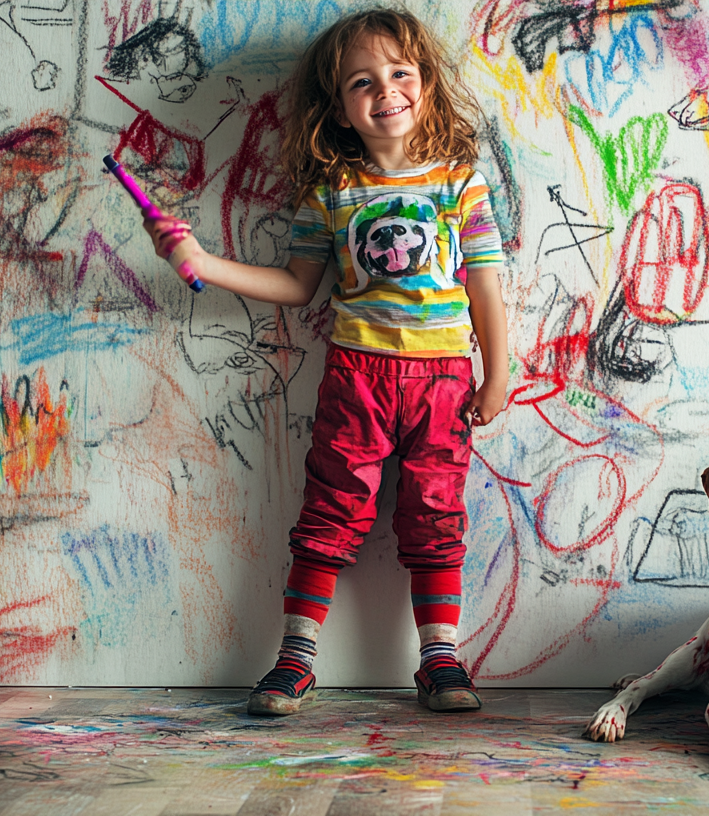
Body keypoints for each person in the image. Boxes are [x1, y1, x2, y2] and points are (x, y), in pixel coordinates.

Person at [144, 8, 509, 715]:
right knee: (330, 513)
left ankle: (440, 659)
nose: (386, 91)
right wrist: (201, 263)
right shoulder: (332, 193)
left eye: (401, 74)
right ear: (339, 109)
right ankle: (295, 659)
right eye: (363, 83)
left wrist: (499, 372)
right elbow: (295, 286)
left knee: (435, 515)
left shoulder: (460, 184)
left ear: (426, 83)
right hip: (358, 376)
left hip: (444, 379)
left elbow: (484, 284)